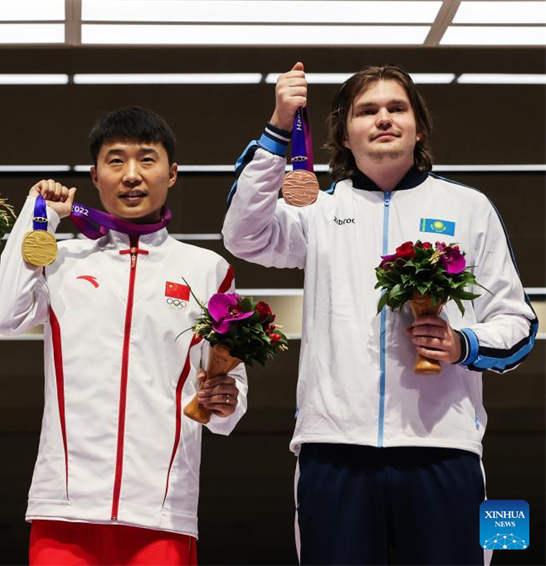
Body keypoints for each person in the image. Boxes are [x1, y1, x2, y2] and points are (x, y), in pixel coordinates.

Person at [222, 62, 538, 564]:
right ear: (344, 135)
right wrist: (280, 127)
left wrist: (464, 344)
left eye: (397, 108)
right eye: (367, 111)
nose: (383, 119)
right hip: (333, 450)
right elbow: (244, 234)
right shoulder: (317, 213)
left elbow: (518, 324)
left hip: (445, 450)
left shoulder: (470, 207)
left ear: (419, 127)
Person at [0, 106, 248, 565]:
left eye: (147, 160)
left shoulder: (208, 270)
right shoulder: (62, 260)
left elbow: (230, 391)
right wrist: (36, 216)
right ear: (94, 174)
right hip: (65, 507)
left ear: (173, 174)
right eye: (116, 161)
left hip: (161, 510)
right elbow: (2, 315)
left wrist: (228, 402)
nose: (131, 175)